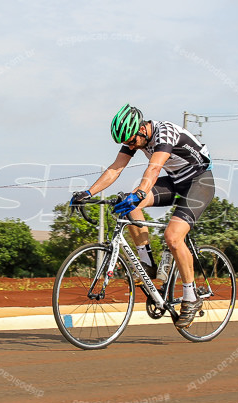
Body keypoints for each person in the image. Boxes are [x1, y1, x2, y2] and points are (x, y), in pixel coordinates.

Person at [71, 103, 214, 329]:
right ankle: (147, 264)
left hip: (199, 182)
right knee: (128, 205)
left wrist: (140, 192)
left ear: (142, 129)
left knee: (173, 237)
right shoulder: (134, 138)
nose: (130, 145)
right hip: (176, 182)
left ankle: (191, 297)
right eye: (126, 143)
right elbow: (115, 168)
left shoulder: (165, 132)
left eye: (131, 141)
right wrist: (88, 192)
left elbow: (154, 168)